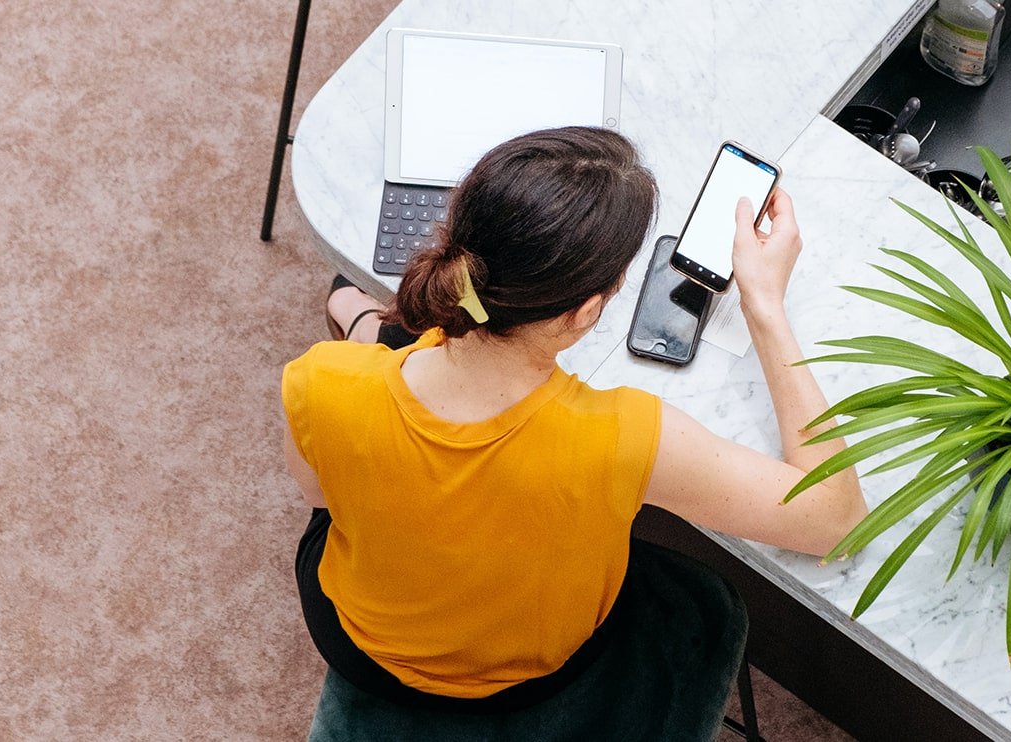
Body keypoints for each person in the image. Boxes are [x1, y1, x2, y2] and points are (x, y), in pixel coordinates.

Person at [282, 127, 866, 738]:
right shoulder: (623, 436)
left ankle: (364, 321)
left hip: (358, 645)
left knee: (388, 354)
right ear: (586, 312)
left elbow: (321, 499)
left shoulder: (317, 381)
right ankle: (368, 321)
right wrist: (765, 306)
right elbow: (837, 520)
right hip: (537, 678)